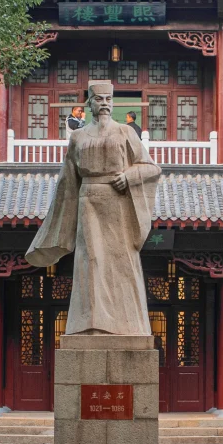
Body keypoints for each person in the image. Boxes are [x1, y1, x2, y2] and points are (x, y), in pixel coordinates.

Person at [27, 80, 161, 336]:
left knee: (122, 262)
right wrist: (56, 227)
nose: (104, 105)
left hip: (119, 201)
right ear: (89, 103)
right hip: (88, 201)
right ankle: (91, 324)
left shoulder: (125, 132)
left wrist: (129, 177)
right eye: (99, 100)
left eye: (108, 100)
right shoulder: (78, 137)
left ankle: (129, 325)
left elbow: (151, 167)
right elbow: (68, 182)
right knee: (92, 261)